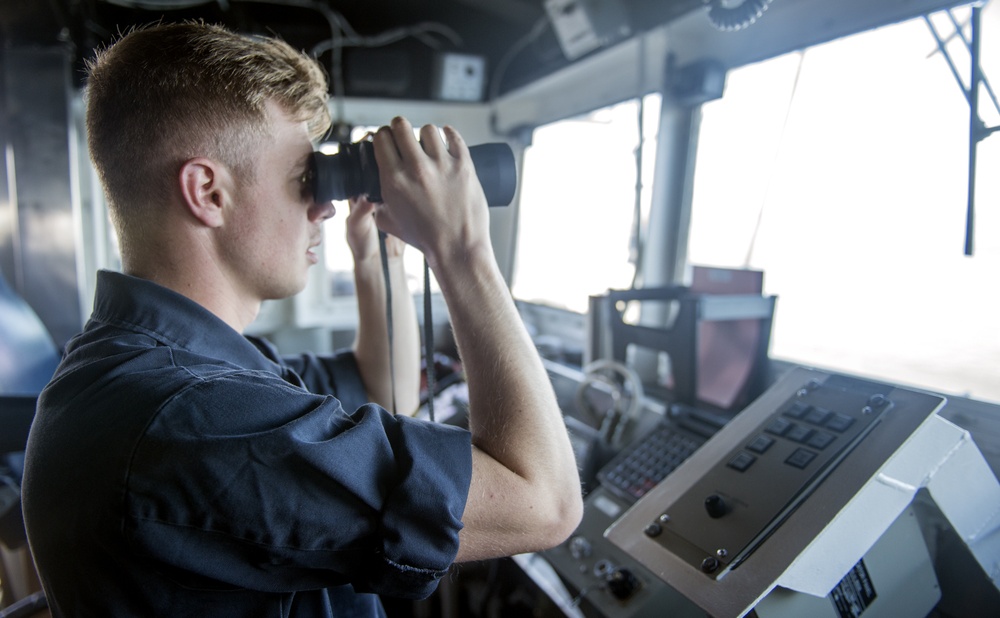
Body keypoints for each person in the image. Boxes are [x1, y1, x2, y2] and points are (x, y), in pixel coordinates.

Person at [21, 21, 582, 617]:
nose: (323, 205)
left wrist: (377, 255)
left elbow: (381, 387)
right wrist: (463, 250)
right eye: (303, 179)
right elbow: (543, 502)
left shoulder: (157, 366)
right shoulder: (193, 421)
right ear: (208, 192)